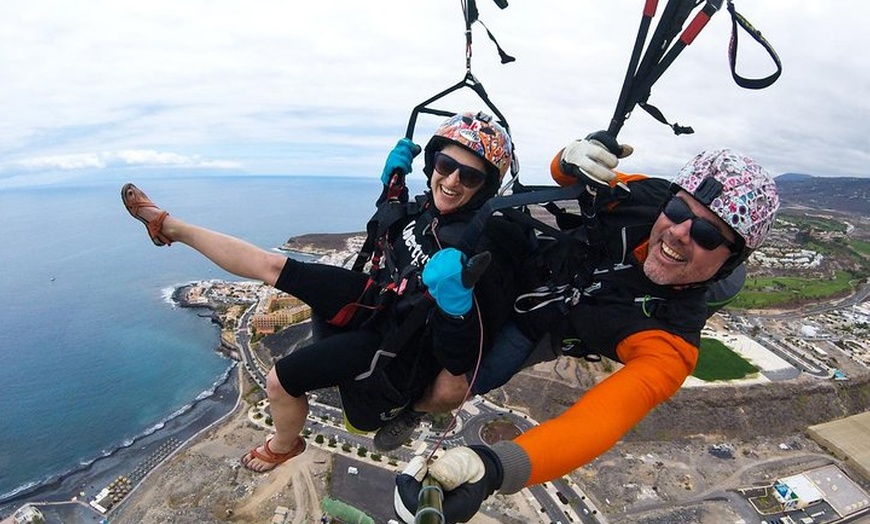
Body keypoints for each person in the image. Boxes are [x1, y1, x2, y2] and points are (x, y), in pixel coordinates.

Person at [394, 135, 780, 523]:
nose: (680, 231)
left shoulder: (671, 342)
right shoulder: (645, 196)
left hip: (541, 327)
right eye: (680, 209)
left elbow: (595, 423)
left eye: (707, 234)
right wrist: (568, 158)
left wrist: (492, 469)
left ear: (729, 261)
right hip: (532, 268)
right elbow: (576, 179)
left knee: (449, 389)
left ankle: (410, 410)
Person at [121, 111, 527, 472]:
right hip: (375, 297)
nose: (452, 180)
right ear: (432, 162)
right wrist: (392, 186)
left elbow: (459, 359)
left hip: (394, 339)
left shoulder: (477, 250)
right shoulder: (424, 211)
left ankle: (284, 445)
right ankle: (168, 227)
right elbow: (388, 230)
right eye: (445, 164)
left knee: (281, 381)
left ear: (484, 187)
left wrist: (456, 303)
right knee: (274, 266)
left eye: (469, 175)